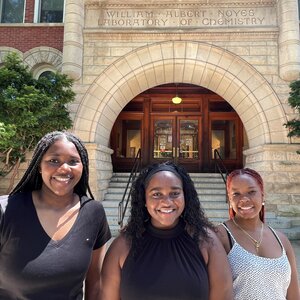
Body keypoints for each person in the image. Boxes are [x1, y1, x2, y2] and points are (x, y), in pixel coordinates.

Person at [0, 131, 111, 300]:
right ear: (39, 166)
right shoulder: (6, 210)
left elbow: (95, 282)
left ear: (83, 166)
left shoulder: (93, 213)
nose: (64, 168)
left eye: (73, 161)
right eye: (54, 160)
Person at [100, 161, 233, 300]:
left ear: (185, 196)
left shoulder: (206, 241)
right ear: (144, 199)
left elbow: (224, 295)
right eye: (156, 194)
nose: (167, 202)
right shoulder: (123, 246)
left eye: (175, 193)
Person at [216, 168, 300, 300]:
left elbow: (293, 295)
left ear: (262, 195)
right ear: (229, 199)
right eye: (236, 194)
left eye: (251, 192)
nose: (244, 199)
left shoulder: (282, 240)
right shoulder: (220, 236)